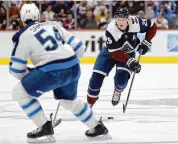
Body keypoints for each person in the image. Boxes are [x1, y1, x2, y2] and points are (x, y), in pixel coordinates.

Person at [9, 3, 109, 143]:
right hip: (73, 66)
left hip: (52, 71)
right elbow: (80, 47)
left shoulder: (22, 36)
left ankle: (44, 127)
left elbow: (16, 70)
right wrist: (66, 66)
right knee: (69, 101)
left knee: (19, 93)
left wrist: (35, 75)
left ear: (22, 19)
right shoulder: (52, 25)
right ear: (38, 16)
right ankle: (97, 127)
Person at [87, 7, 157, 107]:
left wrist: (147, 41)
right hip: (109, 53)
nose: (120, 22)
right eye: (118, 19)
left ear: (128, 19)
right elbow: (115, 53)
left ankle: (117, 90)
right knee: (96, 78)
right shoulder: (111, 29)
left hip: (128, 53)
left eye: (123, 19)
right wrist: (130, 61)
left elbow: (153, 26)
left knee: (121, 81)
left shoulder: (136, 22)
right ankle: (89, 104)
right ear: (115, 18)